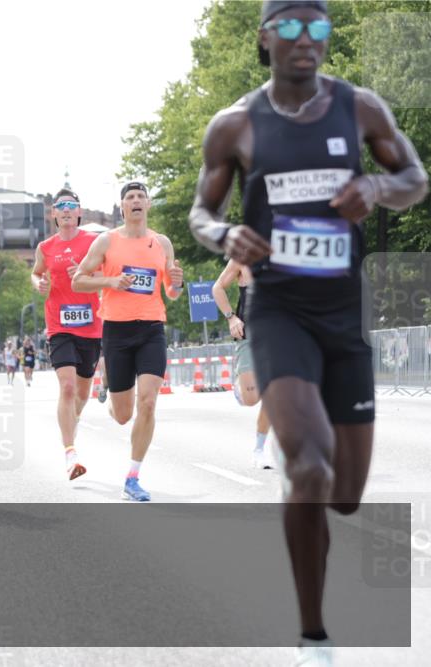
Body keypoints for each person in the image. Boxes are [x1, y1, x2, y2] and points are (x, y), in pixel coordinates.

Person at [189, 1, 428, 662]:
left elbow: (415, 177)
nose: (305, 40)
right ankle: (313, 634)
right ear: (266, 39)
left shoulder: (361, 108)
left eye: (318, 27)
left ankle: (315, 519)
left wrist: (378, 191)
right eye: (290, 27)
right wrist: (224, 233)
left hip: (345, 315)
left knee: (345, 495)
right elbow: (202, 213)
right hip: (280, 312)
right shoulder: (235, 124)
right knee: (308, 463)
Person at [72, 181, 184, 501]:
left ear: (148, 205)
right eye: (129, 198)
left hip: (151, 329)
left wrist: (177, 283)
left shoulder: (162, 243)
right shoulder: (106, 242)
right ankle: (107, 382)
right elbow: (79, 280)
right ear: (122, 207)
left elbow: (172, 293)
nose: (135, 201)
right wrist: (111, 281)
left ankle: (133, 477)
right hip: (117, 332)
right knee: (123, 415)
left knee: (148, 402)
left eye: (140, 197)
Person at [32, 188, 103, 480]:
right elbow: (36, 272)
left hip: (91, 326)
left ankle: (71, 424)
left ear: (79, 212)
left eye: (70, 206)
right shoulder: (45, 247)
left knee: (83, 394)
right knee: (68, 387)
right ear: (53, 215)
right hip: (59, 325)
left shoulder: (95, 242)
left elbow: (106, 278)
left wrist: (88, 277)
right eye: (59, 207)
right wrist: (38, 284)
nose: (65, 211)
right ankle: (70, 453)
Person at [212, 260, 272, 468]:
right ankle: (240, 389)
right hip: (249, 336)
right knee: (251, 399)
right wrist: (231, 318)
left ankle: (259, 449)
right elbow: (217, 287)